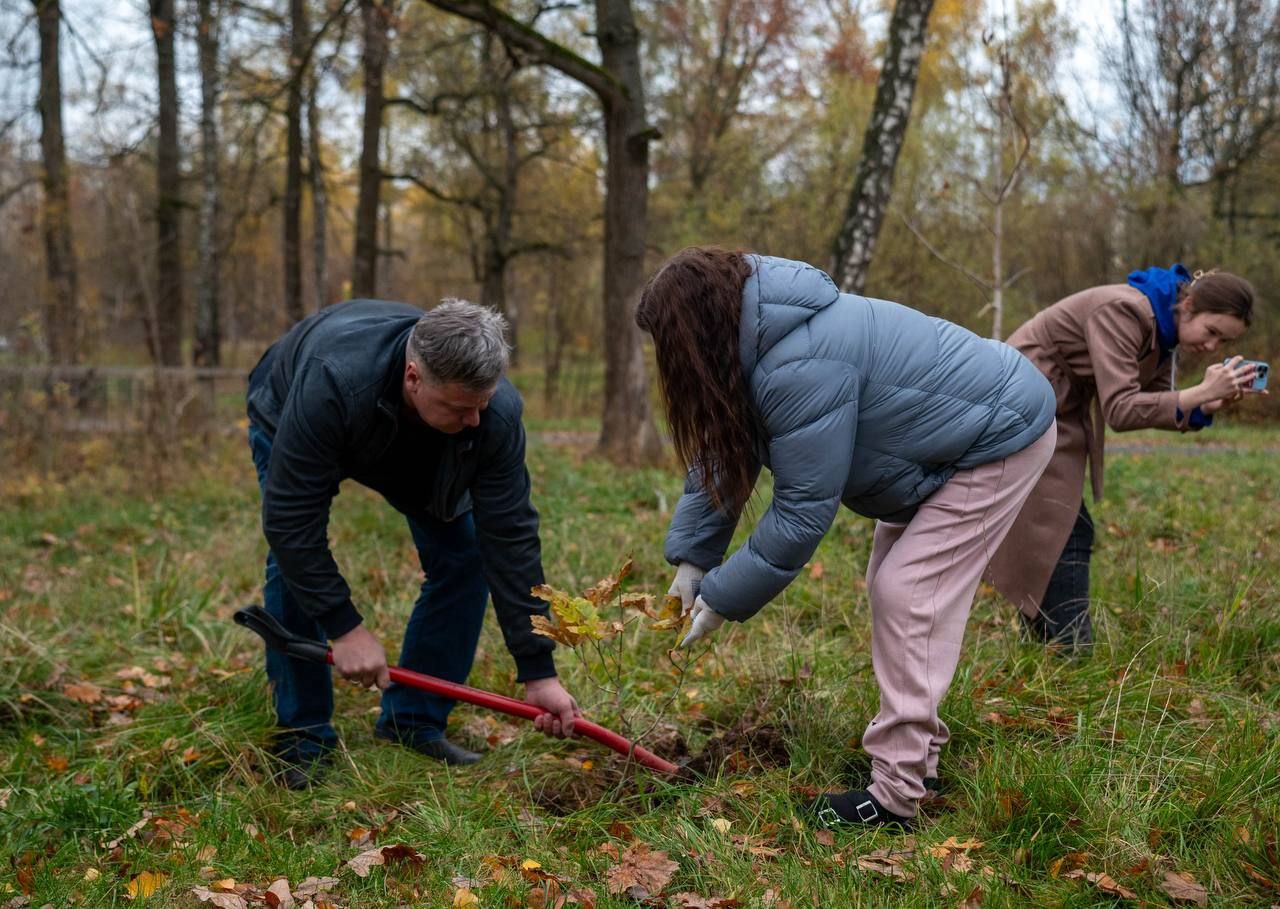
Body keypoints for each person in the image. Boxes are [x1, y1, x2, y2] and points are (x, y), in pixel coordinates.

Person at [639, 248, 1057, 830]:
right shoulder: (759, 341)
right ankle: (919, 760)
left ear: (697, 328)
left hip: (998, 433)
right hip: (945, 442)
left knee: (907, 594)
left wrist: (724, 596)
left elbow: (803, 510)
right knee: (905, 594)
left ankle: (894, 797)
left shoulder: (800, 359)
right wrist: (692, 559)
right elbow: (722, 456)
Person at [245, 298, 580, 788]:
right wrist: (345, 628)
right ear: (413, 377)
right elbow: (291, 522)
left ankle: (413, 722)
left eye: (482, 404)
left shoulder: (489, 416)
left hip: (418, 440)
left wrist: (538, 671)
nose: (475, 422)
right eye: (461, 407)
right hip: (293, 407)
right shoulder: (332, 381)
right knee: (293, 563)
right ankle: (303, 735)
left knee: (464, 556)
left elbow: (509, 537)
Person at [987, 266, 1258, 651]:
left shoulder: (1163, 332)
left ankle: (1046, 642)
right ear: (1189, 304)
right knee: (1062, 524)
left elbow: (1155, 403)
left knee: (1062, 523)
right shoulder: (1124, 311)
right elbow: (1121, 410)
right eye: (1212, 332)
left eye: (1223, 341)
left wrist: (1206, 403)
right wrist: (1198, 393)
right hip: (1020, 397)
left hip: (1056, 407)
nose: (1212, 346)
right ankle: (1069, 649)